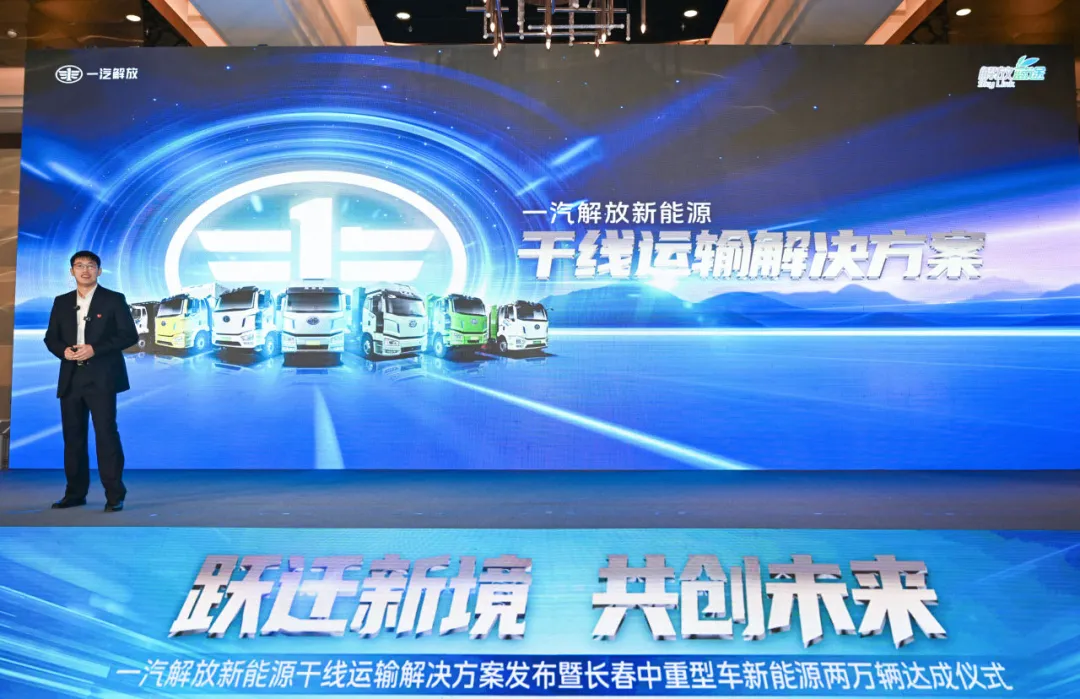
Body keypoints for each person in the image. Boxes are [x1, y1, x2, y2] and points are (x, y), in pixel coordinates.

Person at [43, 251, 139, 512]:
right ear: (71, 271)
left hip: (102, 378)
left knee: (106, 435)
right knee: (73, 438)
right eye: (79, 266)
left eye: (90, 266)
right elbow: (51, 337)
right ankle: (74, 493)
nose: (85, 270)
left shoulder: (113, 299)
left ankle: (114, 495)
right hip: (71, 378)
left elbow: (129, 335)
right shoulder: (62, 301)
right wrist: (63, 351)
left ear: (99, 270)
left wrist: (95, 349)